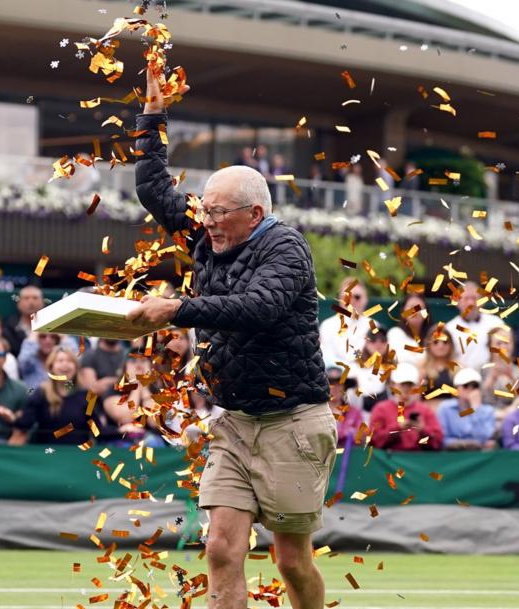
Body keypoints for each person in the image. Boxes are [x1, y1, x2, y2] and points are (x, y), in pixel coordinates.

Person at [126, 69, 334, 609]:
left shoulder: (285, 249)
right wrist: (153, 112)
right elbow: (152, 186)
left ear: (255, 215)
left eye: (219, 213)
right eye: (206, 209)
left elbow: (258, 308)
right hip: (234, 421)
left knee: (292, 560)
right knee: (220, 547)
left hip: (293, 420)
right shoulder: (207, 230)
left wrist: (176, 309)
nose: (207, 221)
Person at [10, 347, 96, 445]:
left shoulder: (88, 396)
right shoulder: (41, 394)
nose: (65, 365)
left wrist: (116, 430)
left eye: (70, 361)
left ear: (76, 367)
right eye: (60, 361)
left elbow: (96, 429)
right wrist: (13, 418)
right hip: (48, 453)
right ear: (51, 367)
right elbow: (24, 424)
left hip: (77, 455)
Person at [370, 363, 443, 451]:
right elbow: (374, 439)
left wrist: (422, 430)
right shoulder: (381, 409)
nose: (406, 388)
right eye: (402, 384)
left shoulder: (425, 410)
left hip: (418, 459)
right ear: (393, 385)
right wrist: (397, 428)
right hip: (389, 458)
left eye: (410, 385)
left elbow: (438, 441)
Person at [445, 281, 503, 370]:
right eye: (466, 298)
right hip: (461, 378)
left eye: (474, 298)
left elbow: (507, 350)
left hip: (492, 375)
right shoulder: (449, 328)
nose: (471, 303)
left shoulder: (496, 323)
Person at [437, 368, 496, 451]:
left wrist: (475, 410)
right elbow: (443, 439)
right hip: (453, 453)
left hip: (479, 455)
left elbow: (486, 439)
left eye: (475, 386)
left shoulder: (488, 411)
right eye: (465, 386)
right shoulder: (446, 408)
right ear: (457, 389)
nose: (470, 389)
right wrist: (464, 444)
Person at [319, 278, 371, 367]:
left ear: (366, 300)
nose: (351, 300)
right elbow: (326, 358)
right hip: (335, 376)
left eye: (357, 297)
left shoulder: (373, 326)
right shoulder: (327, 326)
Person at [350, 326, 392, 414]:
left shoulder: (393, 367)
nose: (378, 343)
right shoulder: (354, 366)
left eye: (383, 340)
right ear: (366, 342)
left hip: (385, 415)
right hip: (359, 416)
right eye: (373, 339)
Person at [387, 294, 431, 367]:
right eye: (412, 308)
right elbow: (399, 358)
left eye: (420, 308)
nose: (416, 312)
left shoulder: (433, 334)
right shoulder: (395, 333)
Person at [419, 324, 457, 406]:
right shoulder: (420, 368)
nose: (441, 346)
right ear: (428, 345)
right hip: (427, 414)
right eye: (436, 342)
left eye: (445, 342)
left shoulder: (459, 368)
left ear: (451, 345)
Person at [2, 285, 44, 357]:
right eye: (26, 298)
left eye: (35, 298)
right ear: (19, 303)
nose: (31, 302)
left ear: (42, 302)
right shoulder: (7, 327)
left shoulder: (52, 324)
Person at [326, 366, 363, 447]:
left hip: (346, 457)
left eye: (339, 384)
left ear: (344, 387)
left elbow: (360, 437)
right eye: (331, 384)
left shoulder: (355, 413)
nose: (335, 388)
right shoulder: (315, 412)